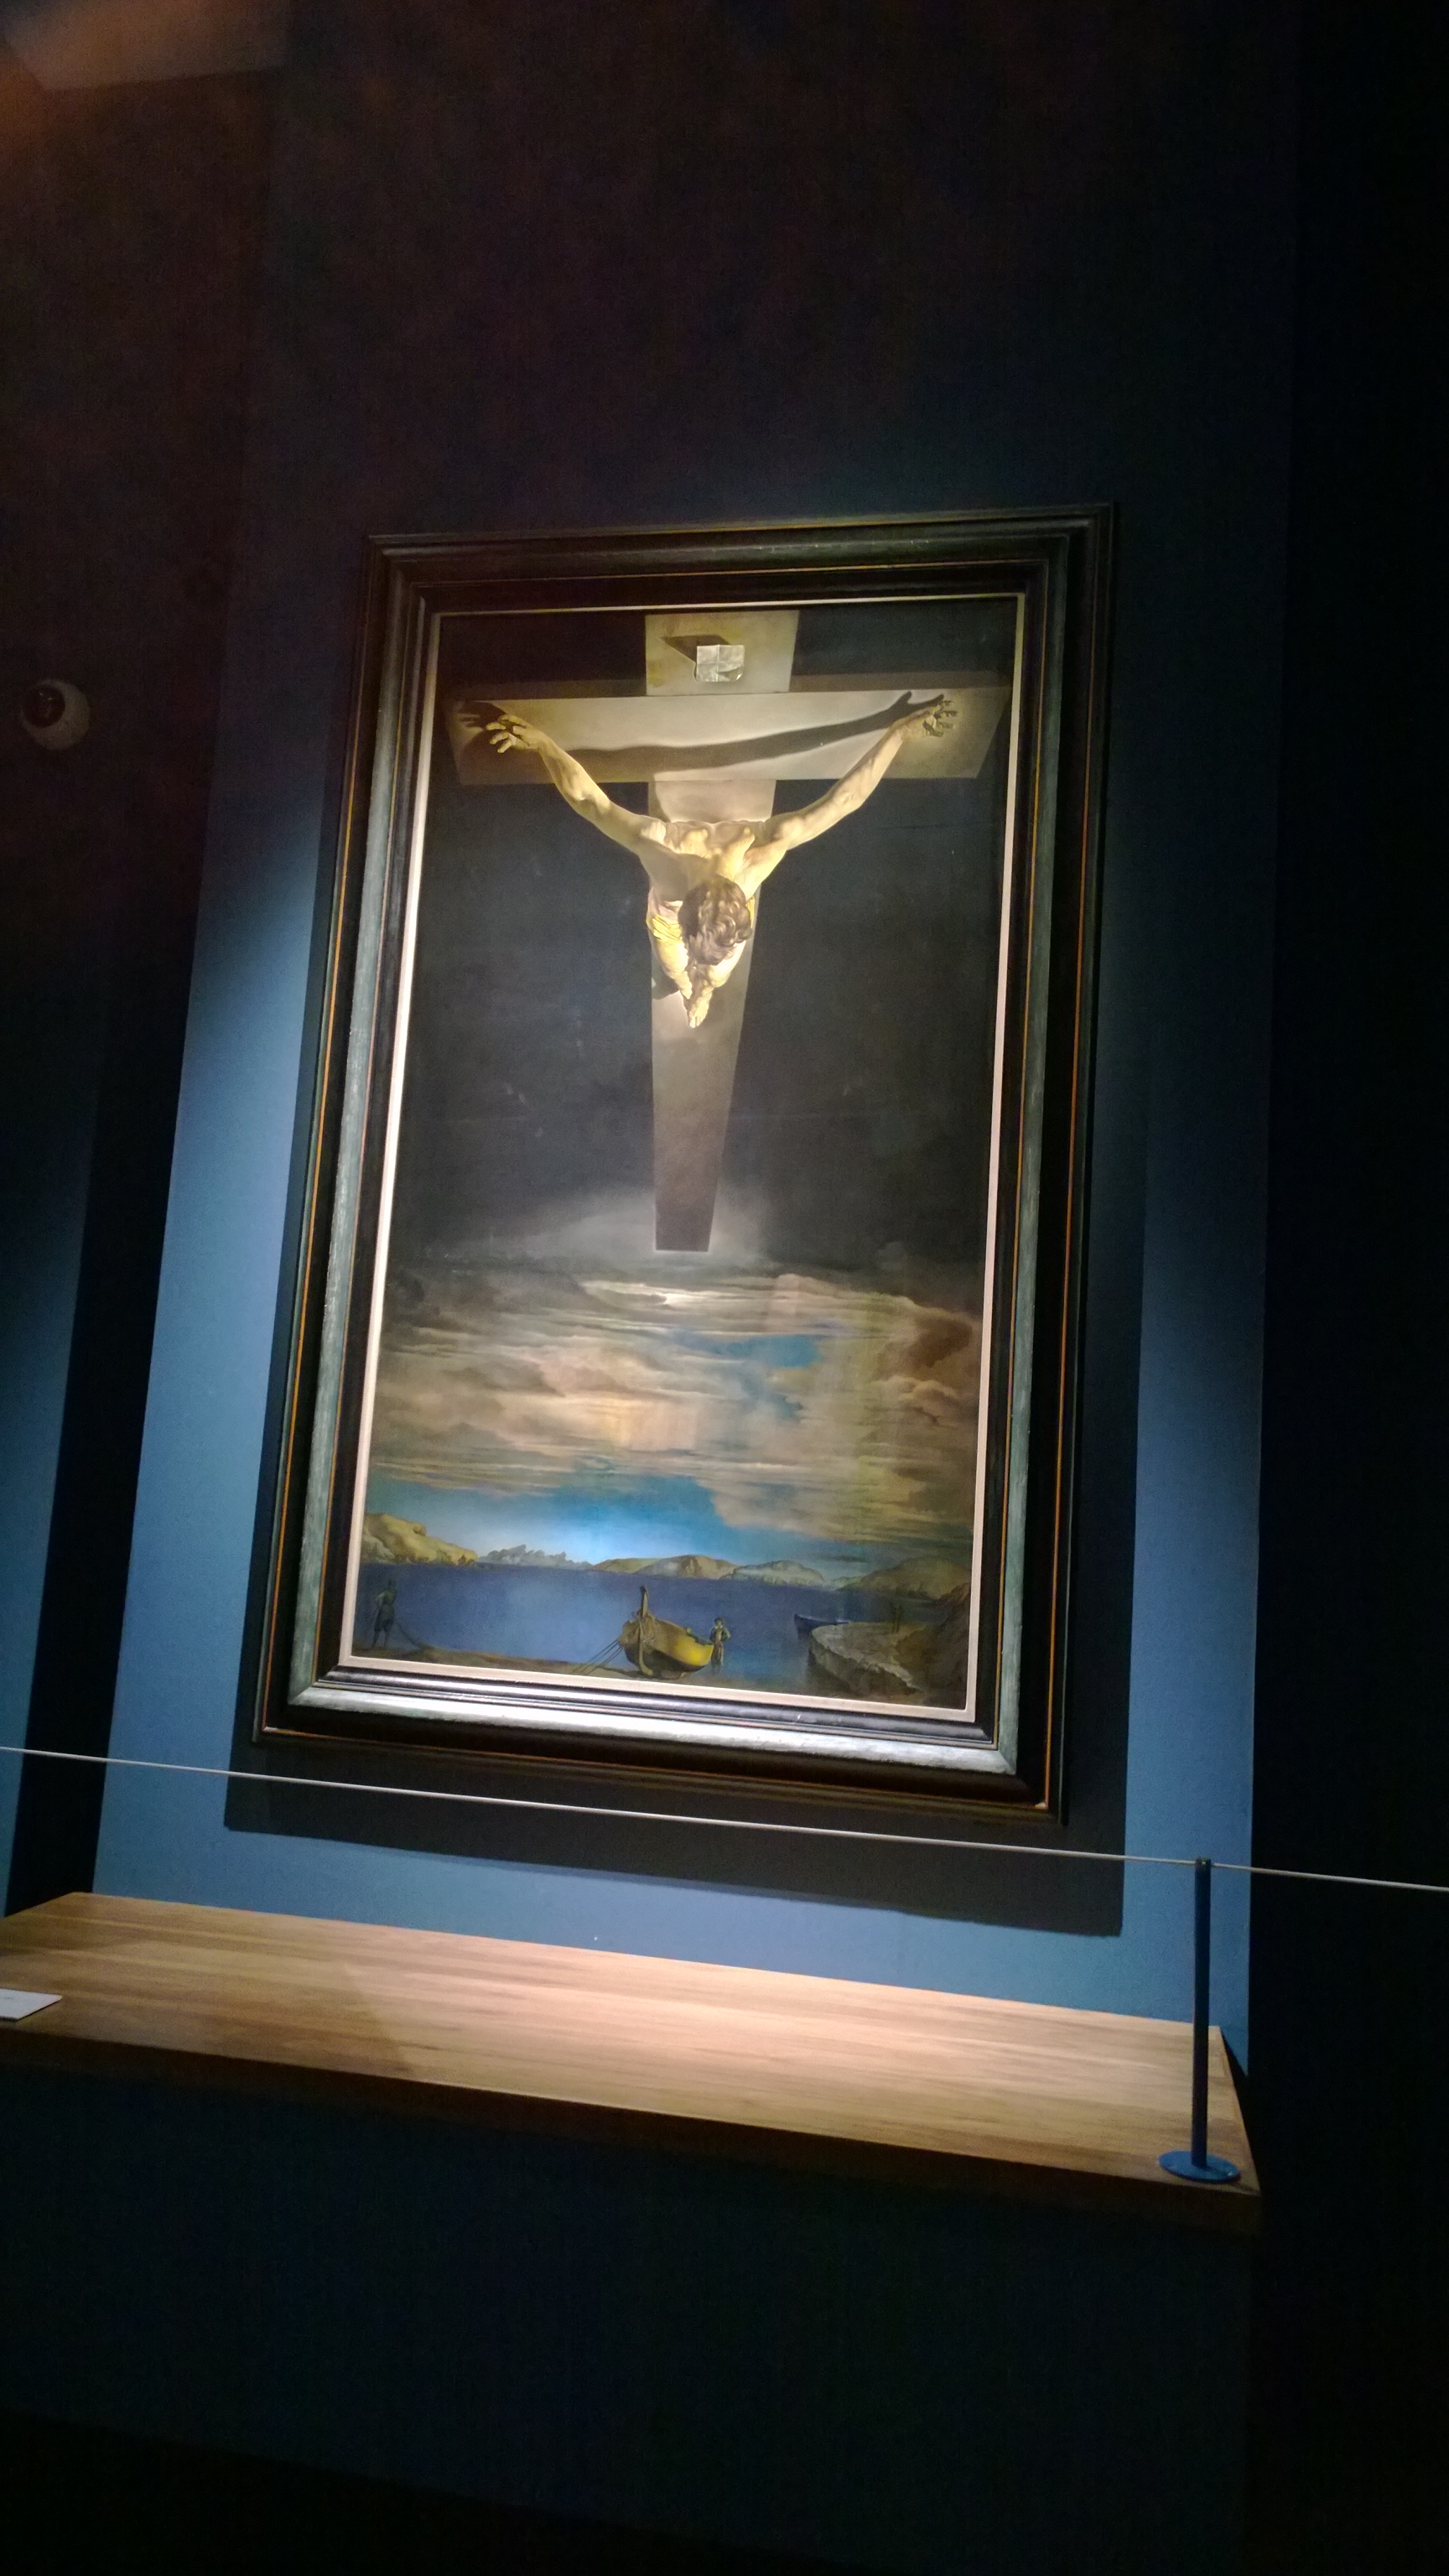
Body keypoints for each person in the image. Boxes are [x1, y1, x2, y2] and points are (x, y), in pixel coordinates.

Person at [486, 688, 957, 1026]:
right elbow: (591, 803)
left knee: (716, 973)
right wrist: (542, 744)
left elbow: (844, 802)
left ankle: (704, 991)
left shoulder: (733, 854)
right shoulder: (682, 854)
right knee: (674, 967)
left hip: (713, 919)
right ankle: (687, 989)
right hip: (672, 918)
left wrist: (898, 733)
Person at [371, 1576, 397, 1649]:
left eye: (392, 1585)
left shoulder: (390, 1592)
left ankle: (381, 1646)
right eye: (392, 1584)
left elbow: (376, 1599)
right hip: (388, 1610)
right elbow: (377, 1599)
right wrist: (380, 1606)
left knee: (383, 1629)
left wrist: (380, 1606)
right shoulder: (391, 1592)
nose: (392, 1586)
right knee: (382, 1629)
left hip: (387, 1610)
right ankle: (377, 1645)